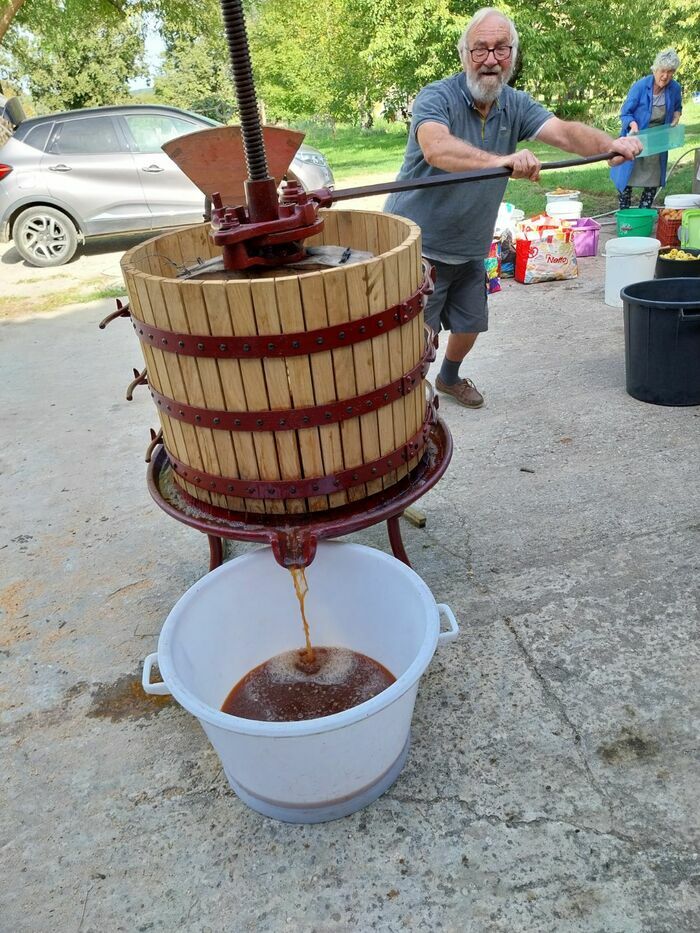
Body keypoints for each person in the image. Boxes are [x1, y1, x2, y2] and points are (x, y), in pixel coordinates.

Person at [384, 7, 641, 409]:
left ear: (513, 56)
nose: (490, 59)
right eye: (480, 49)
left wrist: (611, 145)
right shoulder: (437, 96)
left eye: (501, 49)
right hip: (421, 243)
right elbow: (436, 148)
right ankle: (406, 404)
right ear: (464, 55)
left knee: (469, 325)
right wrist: (499, 161)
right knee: (416, 337)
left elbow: (565, 133)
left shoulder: (514, 104)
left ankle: (449, 379)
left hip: (470, 244)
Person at [611, 49, 683, 212]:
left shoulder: (674, 88)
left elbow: (678, 106)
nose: (665, 76)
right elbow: (625, 113)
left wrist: (677, 115)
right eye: (663, 71)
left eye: (670, 72)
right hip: (635, 137)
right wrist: (633, 125)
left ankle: (644, 213)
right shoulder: (640, 86)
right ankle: (625, 213)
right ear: (655, 69)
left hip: (657, 140)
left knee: (652, 179)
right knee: (626, 176)